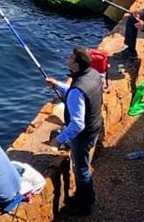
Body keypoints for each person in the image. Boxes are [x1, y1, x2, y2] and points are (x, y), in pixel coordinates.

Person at [46, 47, 103, 217]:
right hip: (95, 126)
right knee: (82, 167)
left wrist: (59, 139)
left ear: (76, 65)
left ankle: (84, 206)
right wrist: (58, 85)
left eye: (71, 57)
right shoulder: (93, 74)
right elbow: (78, 94)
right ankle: (87, 197)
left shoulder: (78, 89)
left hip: (83, 136)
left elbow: (77, 124)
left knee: (81, 169)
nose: (68, 58)